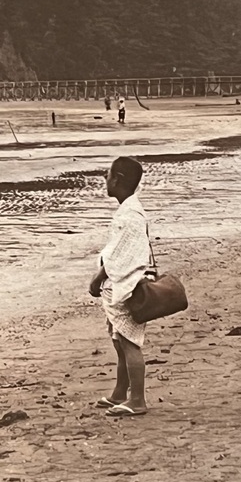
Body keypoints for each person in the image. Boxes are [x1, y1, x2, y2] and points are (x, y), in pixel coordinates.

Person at [89, 157, 151, 417]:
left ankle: (137, 399)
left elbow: (121, 256)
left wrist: (97, 278)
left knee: (129, 342)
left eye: (109, 174)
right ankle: (119, 392)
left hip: (125, 285)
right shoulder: (129, 210)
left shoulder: (131, 214)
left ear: (118, 179)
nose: (106, 179)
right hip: (121, 284)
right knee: (119, 340)